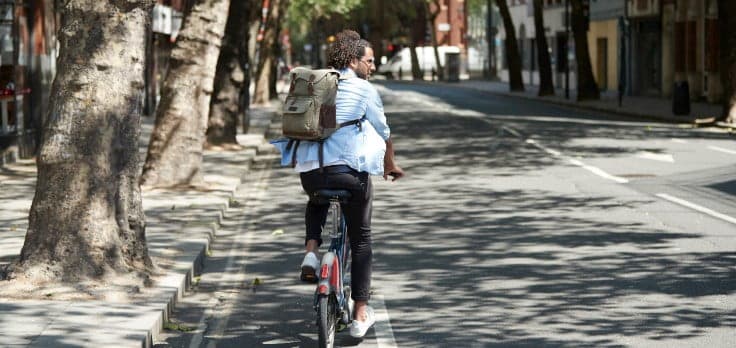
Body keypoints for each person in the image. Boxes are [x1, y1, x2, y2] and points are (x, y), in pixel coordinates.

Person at [276, 29, 404, 338]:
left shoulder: (317, 83)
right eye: (369, 61)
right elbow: (383, 131)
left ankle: (311, 251)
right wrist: (390, 165)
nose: (372, 67)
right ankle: (360, 314)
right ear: (354, 60)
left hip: (310, 173)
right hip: (348, 174)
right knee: (360, 240)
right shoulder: (363, 90)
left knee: (316, 197)